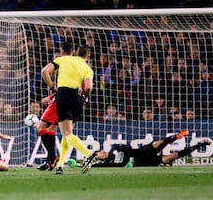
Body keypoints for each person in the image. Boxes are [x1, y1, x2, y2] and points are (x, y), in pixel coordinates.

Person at [41, 43, 94, 174]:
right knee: (68, 133)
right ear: (88, 56)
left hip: (64, 95)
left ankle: (90, 154)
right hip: (78, 98)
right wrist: (85, 96)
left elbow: (44, 71)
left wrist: (52, 87)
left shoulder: (65, 59)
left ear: (76, 52)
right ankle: (60, 165)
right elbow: (88, 87)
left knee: (66, 134)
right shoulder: (87, 68)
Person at [88, 131, 211, 167]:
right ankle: (200, 144)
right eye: (99, 153)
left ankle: (175, 137)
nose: (101, 152)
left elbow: (125, 147)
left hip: (140, 153)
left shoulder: (113, 150)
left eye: (100, 150)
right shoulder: (107, 165)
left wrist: (119, 148)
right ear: (98, 158)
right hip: (143, 163)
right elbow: (90, 165)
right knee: (171, 157)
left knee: (158, 144)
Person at [35, 94, 59, 171]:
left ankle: (52, 158)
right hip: (69, 101)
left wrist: (50, 97)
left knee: (40, 128)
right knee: (51, 129)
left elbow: (63, 87)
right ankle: (50, 160)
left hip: (59, 100)